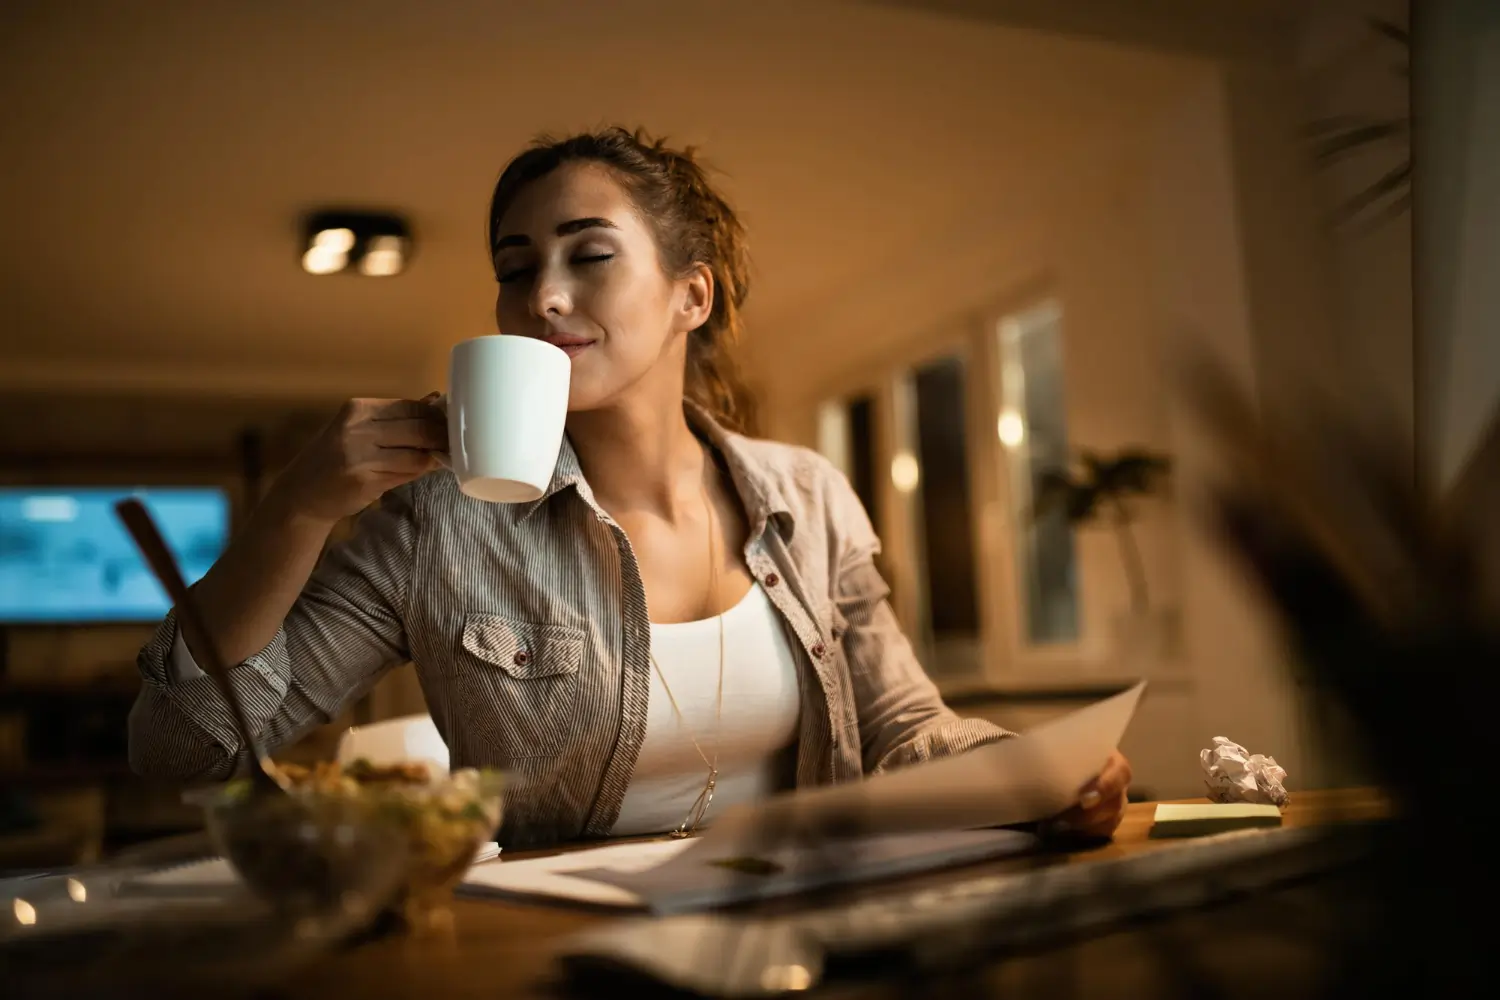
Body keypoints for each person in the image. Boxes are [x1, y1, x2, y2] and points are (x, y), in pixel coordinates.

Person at [128, 126, 1131, 847]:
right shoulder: (436, 526)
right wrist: (295, 509)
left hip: (800, 929)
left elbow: (903, 728)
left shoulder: (807, 494)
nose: (543, 296)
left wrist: (1033, 769)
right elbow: (183, 746)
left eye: (588, 255)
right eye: (515, 269)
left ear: (692, 292)